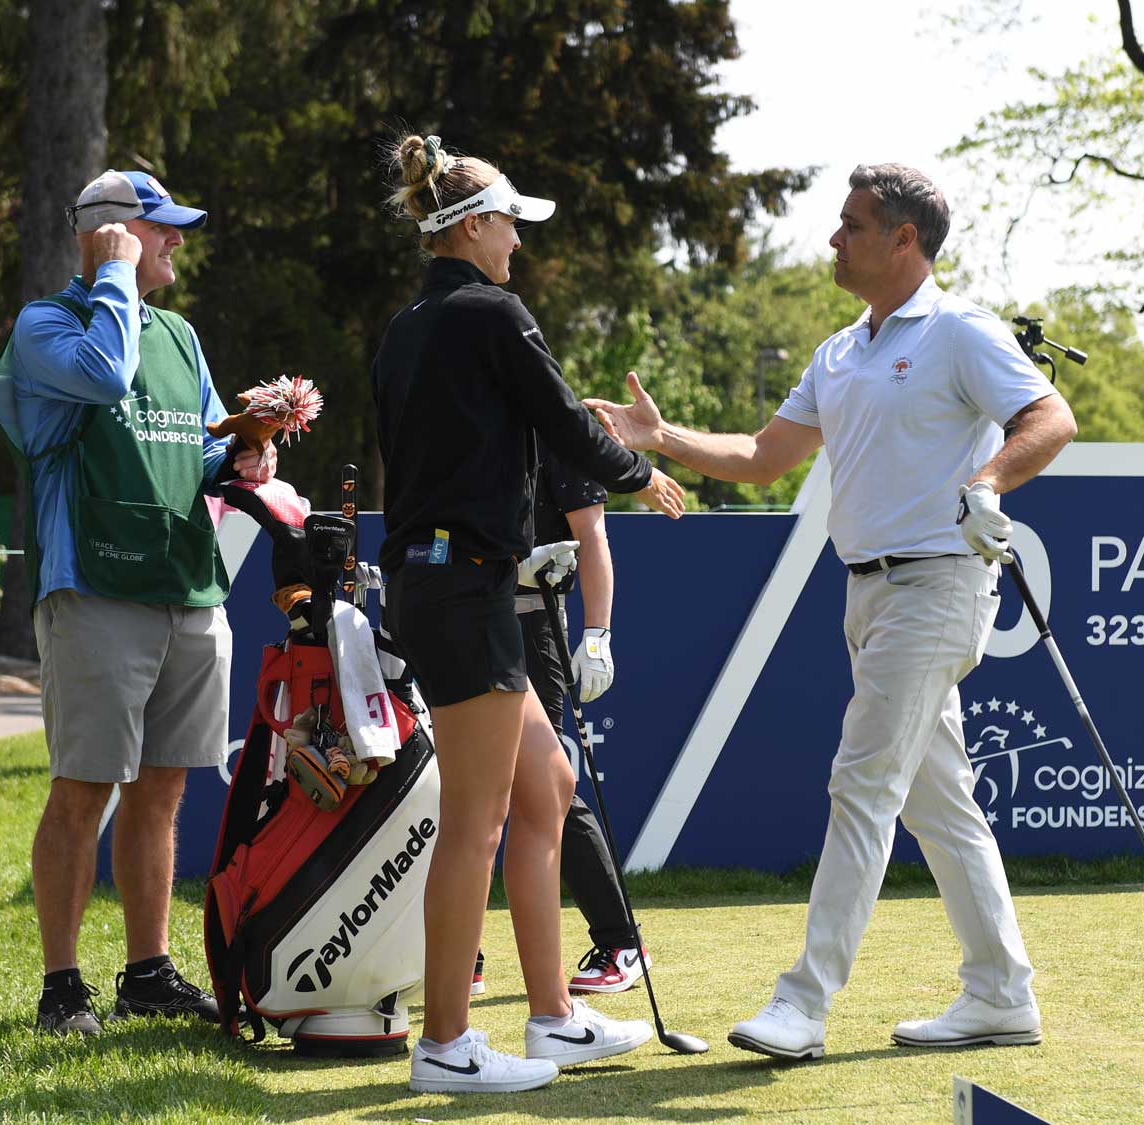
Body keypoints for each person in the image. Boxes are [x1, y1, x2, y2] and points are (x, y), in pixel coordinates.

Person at [586, 163, 1077, 1060]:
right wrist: (662, 439)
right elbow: (765, 455)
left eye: (852, 224)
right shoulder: (841, 349)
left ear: (904, 240)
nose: (833, 237)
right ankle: (1002, 992)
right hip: (868, 590)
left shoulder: (962, 330)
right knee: (941, 806)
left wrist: (988, 479)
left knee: (861, 785)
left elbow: (1051, 417)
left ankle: (803, 1003)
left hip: (937, 585)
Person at [371, 133, 686, 1094]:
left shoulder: (408, 327)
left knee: (545, 785)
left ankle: (553, 1018)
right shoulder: (492, 312)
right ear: (470, 226)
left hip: (456, 584)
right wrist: (639, 467)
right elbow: (561, 422)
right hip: (458, 588)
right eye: (510, 223)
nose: (520, 241)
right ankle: (447, 1046)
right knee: (476, 817)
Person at [1, 169, 271, 1036]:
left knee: (160, 791)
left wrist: (245, 456)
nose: (176, 242)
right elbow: (105, 377)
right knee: (84, 790)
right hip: (94, 589)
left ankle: (147, 971)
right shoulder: (50, 324)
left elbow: (196, 450)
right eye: (160, 229)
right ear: (115, 232)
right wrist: (114, 273)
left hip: (183, 584)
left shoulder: (182, 337)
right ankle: (62, 986)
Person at [518, 453, 650, 995]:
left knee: (546, 787)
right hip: (472, 624)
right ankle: (464, 953)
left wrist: (597, 634)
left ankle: (622, 941)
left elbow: (591, 537)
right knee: (466, 787)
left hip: (534, 623)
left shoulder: (553, 430)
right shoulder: (481, 423)